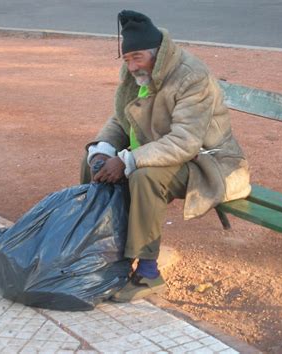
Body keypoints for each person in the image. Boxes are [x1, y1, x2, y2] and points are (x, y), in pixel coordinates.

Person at [81, 10, 251, 302]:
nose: (132, 66)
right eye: (127, 59)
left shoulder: (191, 76)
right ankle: (104, 253)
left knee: (146, 176)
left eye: (137, 58)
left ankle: (148, 274)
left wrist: (127, 160)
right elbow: (121, 119)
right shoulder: (134, 73)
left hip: (207, 163)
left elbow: (185, 142)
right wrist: (102, 151)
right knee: (93, 167)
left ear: (157, 54)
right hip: (165, 151)